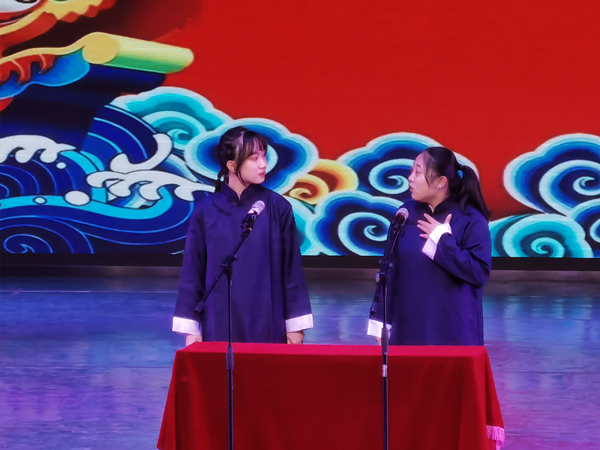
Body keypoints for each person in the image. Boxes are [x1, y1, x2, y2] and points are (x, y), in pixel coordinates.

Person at [173, 126, 313, 346]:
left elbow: (292, 271)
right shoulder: (206, 211)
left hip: (268, 319)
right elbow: (193, 271)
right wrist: (192, 328)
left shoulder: (278, 207)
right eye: (254, 158)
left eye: (264, 156)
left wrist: (295, 326)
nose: (263, 164)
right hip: (218, 318)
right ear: (231, 165)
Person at [368, 146, 492, 345]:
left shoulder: (471, 219)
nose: (410, 178)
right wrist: (380, 319)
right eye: (411, 171)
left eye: (417, 172)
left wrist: (443, 241)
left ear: (441, 181)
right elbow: (389, 269)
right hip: (408, 328)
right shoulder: (405, 214)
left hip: (454, 331)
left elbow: (478, 273)